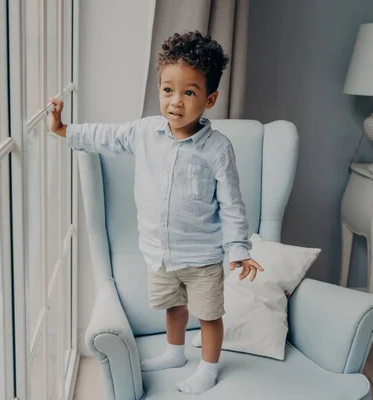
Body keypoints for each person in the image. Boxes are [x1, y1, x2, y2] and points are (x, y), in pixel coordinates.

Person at [48, 30, 263, 395]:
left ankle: (209, 368)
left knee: (209, 314)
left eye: (189, 92)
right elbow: (106, 136)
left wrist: (239, 249)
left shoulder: (217, 149)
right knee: (173, 307)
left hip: (203, 257)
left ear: (210, 99)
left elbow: (232, 204)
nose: (176, 102)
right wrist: (64, 130)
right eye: (168, 90)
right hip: (159, 253)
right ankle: (174, 352)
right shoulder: (144, 131)